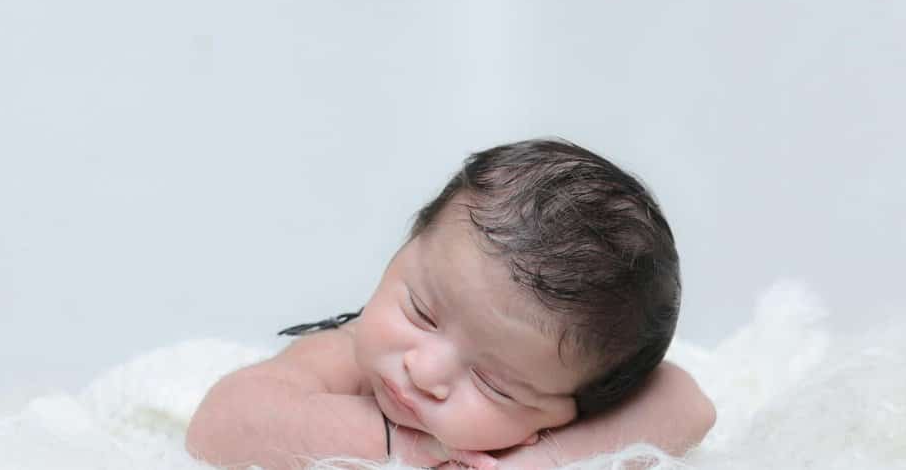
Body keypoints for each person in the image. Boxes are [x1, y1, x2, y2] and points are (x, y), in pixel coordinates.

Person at [186, 138, 716, 470]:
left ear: (571, 406)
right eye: (421, 311)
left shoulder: (555, 415)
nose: (425, 370)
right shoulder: (350, 360)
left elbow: (689, 404)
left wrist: (541, 461)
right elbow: (220, 421)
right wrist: (410, 450)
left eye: (492, 382)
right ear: (407, 245)